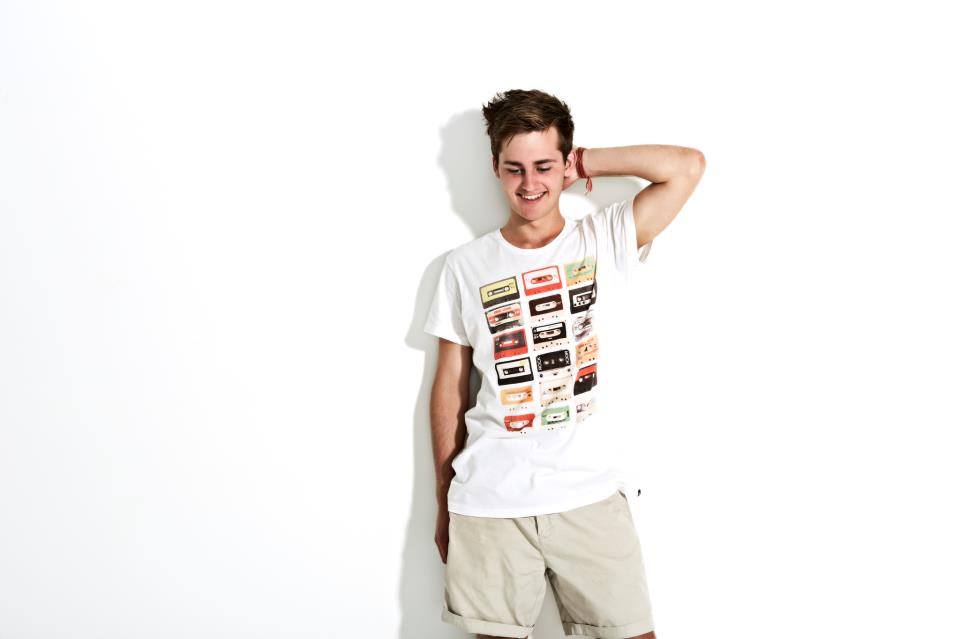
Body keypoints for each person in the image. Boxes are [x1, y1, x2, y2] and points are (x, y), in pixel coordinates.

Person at [424, 89, 705, 639]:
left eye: (544, 166)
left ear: (565, 163)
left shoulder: (603, 239)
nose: (529, 183)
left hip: (590, 495)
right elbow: (450, 388)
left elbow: (686, 167)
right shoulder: (463, 267)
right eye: (515, 168)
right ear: (495, 168)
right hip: (490, 502)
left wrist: (587, 162)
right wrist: (443, 498)